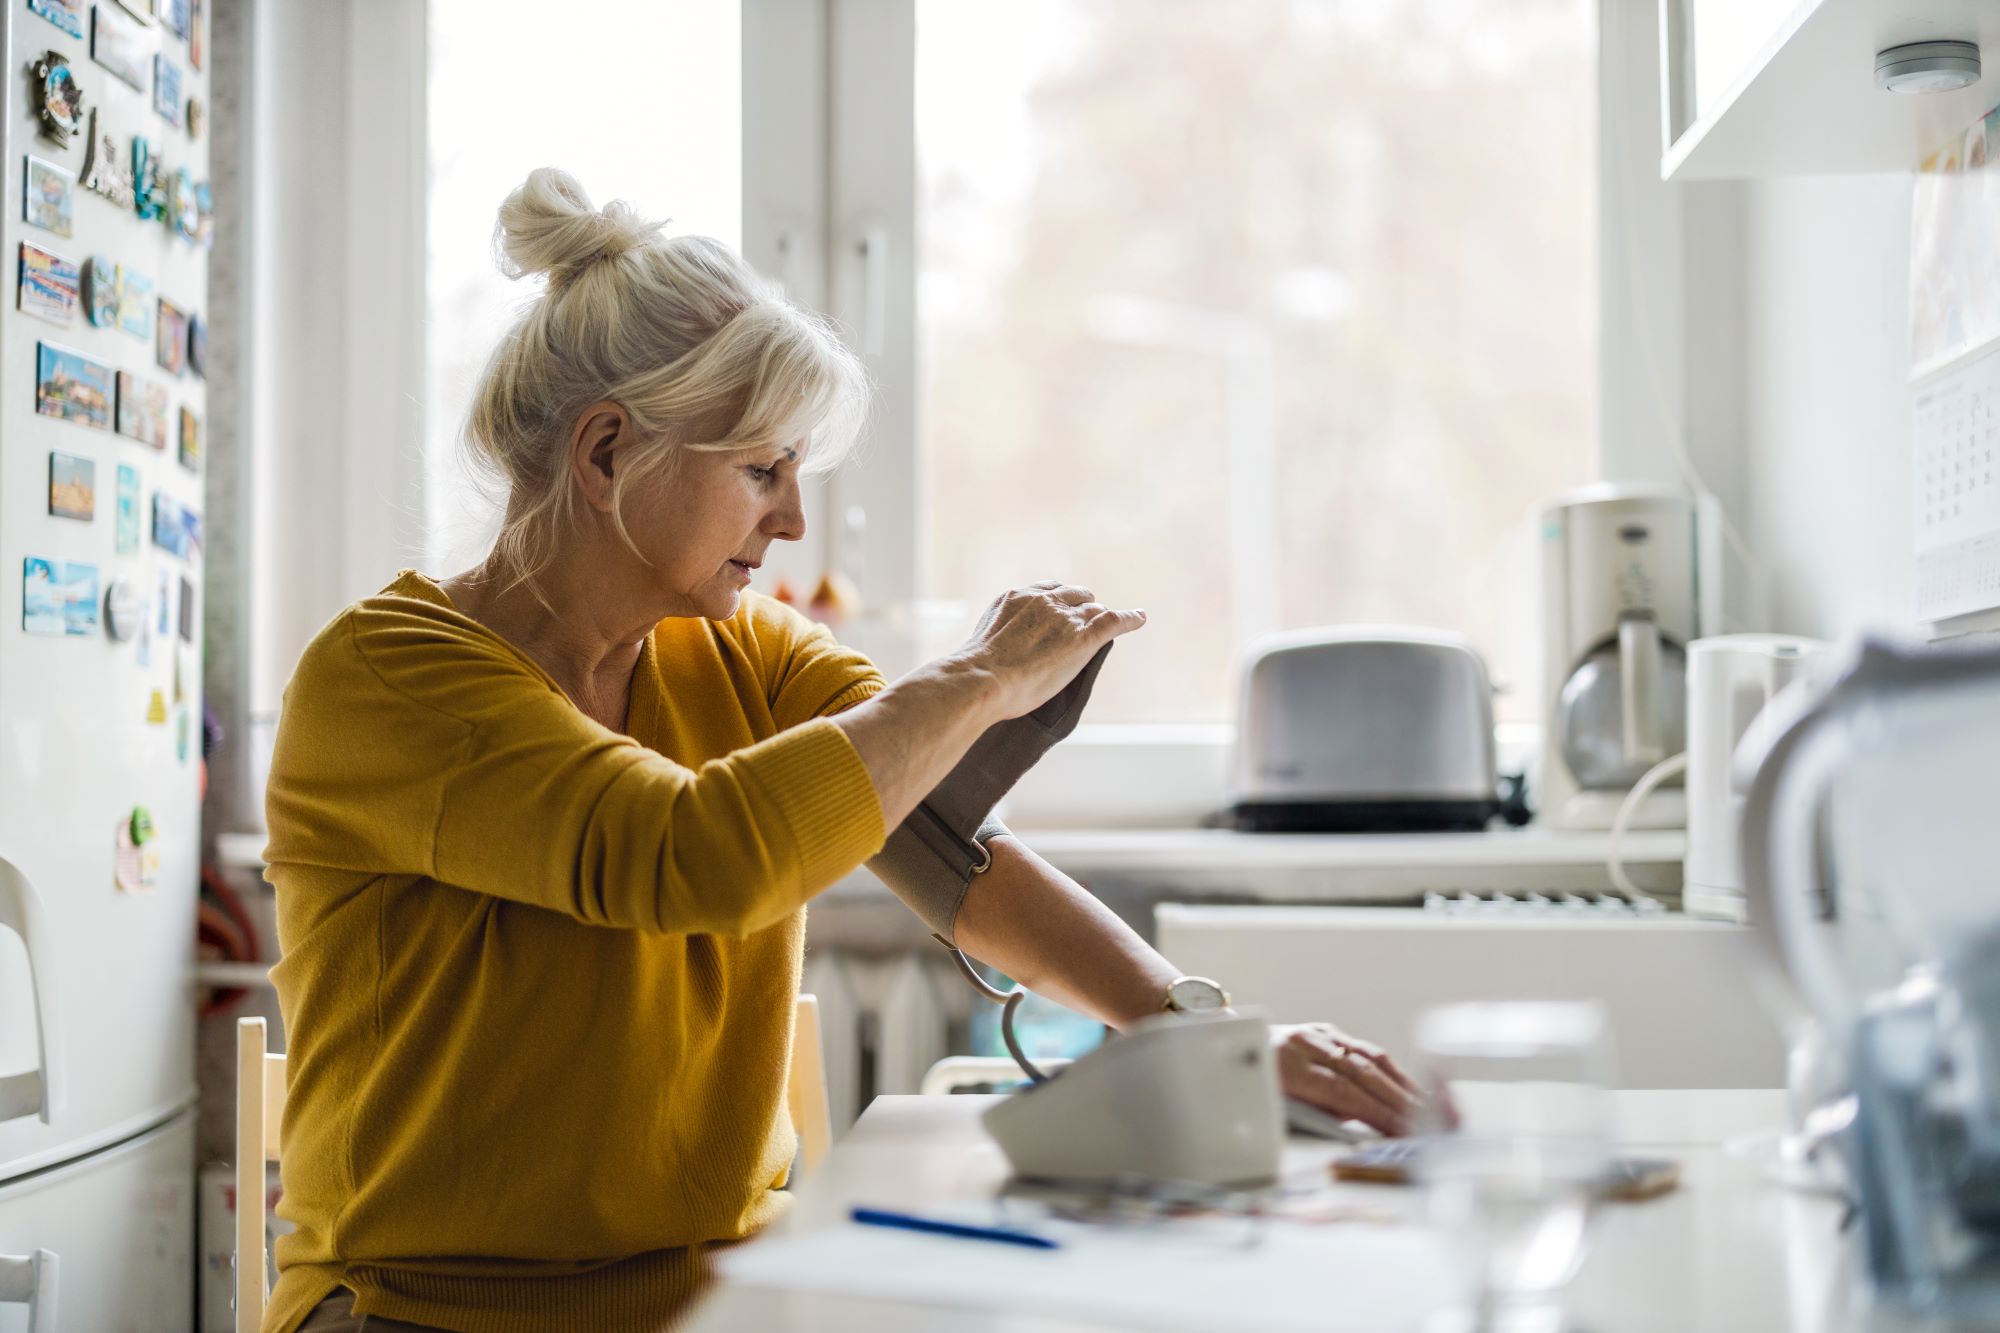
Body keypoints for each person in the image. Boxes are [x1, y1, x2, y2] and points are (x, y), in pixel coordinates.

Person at [263, 167, 1421, 1333]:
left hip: (722, 1295)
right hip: (426, 1312)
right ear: (607, 451)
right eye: (760, 470)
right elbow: (687, 858)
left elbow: (932, 832)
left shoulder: (744, 654)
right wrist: (973, 678)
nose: (791, 523)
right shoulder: (391, 680)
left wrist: (1201, 1036)